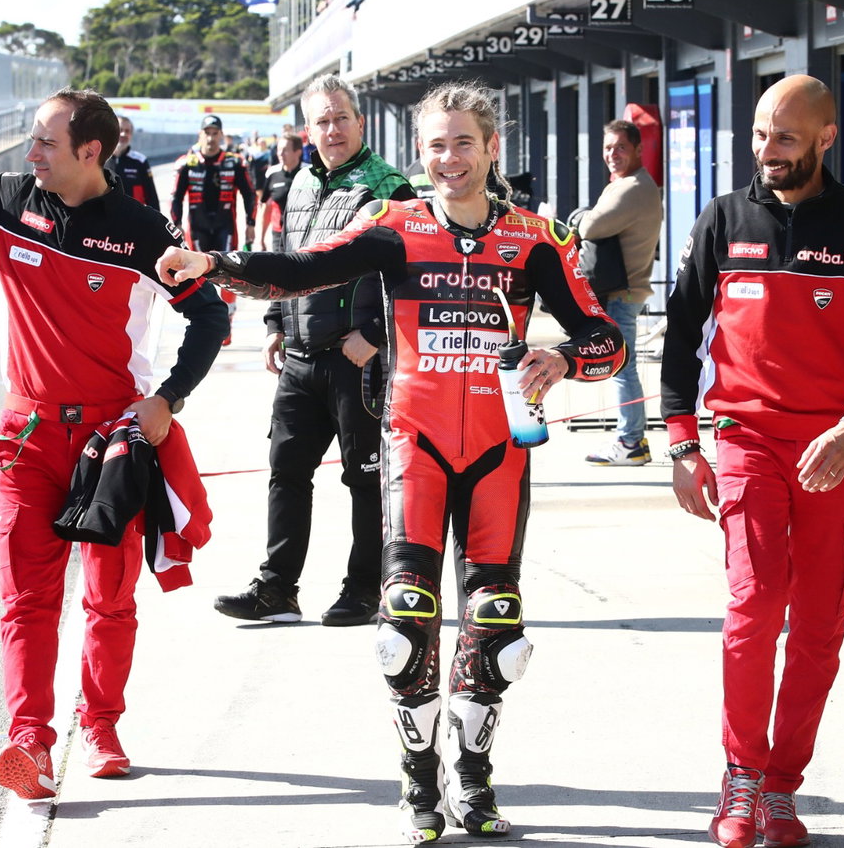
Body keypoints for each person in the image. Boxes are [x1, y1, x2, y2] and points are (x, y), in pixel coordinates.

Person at [160, 81, 624, 843]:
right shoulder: (395, 226)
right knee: (404, 624)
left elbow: (603, 339)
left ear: (492, 147)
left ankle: (473, 780)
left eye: (464, 142)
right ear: (420, 151)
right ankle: (419, 788)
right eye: (436, 145)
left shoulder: (537, 239)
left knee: (497, 627)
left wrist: (562, 358)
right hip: (415, 442)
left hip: (500, 453)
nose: (450, 158)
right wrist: (214, 262)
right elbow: (296, 269)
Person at [0, 22, 228, 801]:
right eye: (32, 139)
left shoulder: (144, 234)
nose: (28, 152)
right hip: (27, 434)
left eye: (44, 141)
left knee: (109, 597)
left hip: (113, 438)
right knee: (26, 598)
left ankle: (99, 724)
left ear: (91, 152)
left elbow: (212, 318)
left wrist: (165, 402)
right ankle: (30, 743)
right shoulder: (6, 204)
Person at [660, 74, 844, 848]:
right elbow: (679, 336)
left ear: (826, 137)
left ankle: (780, 786)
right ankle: (740, 778)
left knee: (819, 626)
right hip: (745, 441)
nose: (767, 151)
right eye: (761, 135)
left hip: (832, 448)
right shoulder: (723, 219)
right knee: (755, 602)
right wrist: (680, 442)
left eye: (786, 138)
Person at [213, 74, 415, 627]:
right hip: (299, 359)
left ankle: (366, 589)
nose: (333, 129)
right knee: (286, 472)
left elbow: (412, 270)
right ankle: (277, 590)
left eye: (341, 118)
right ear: (308, 129)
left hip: (357, 361)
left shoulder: (388, 186)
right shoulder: (299, 182)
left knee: (364, 478)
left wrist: (373, 334)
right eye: (322, 121)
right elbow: (289, 253)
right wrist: (276, 319)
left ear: (361, 122)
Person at [574, 119, 663, 466]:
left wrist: (581, 216)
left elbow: (592, 225)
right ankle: (631, 439)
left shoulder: (634, 188)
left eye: (621, 147)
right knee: (621, 368)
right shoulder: (625, 183)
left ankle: (631, 442)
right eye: (608, 147)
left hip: (623, 294)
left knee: (622, 369)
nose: (612, 154)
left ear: (639, 150)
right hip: (622, 293)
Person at [172, 114, 257, 344]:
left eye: (215, 133)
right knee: (199, 275)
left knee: (229, 273)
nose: (210, 138)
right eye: (206, 133)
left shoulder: (235, 162)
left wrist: (251, 223)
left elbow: (250, 194)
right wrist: (176, 224)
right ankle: (207, 322)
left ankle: (227, 319)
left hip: (225, 227)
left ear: (221, 135)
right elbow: (176, 197)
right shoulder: (186, 163)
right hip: (197, 229)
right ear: (200, 135)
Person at [254, 132, 301, 253]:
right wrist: (261, 238)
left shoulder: (310, 173)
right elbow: (267, 207)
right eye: (279, 149)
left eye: (285, 150)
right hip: (278, 234)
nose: (280, 153)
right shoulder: (272, 174)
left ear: (298, 152)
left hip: (302, 234)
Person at [106, 115, 159, 209]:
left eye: (127, 131)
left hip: (133, 220)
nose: (123, 134)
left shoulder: (140, 161)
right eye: (120, 130)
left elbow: (151, 197)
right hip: (105, 220)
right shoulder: (100, 159)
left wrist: (157, 222)